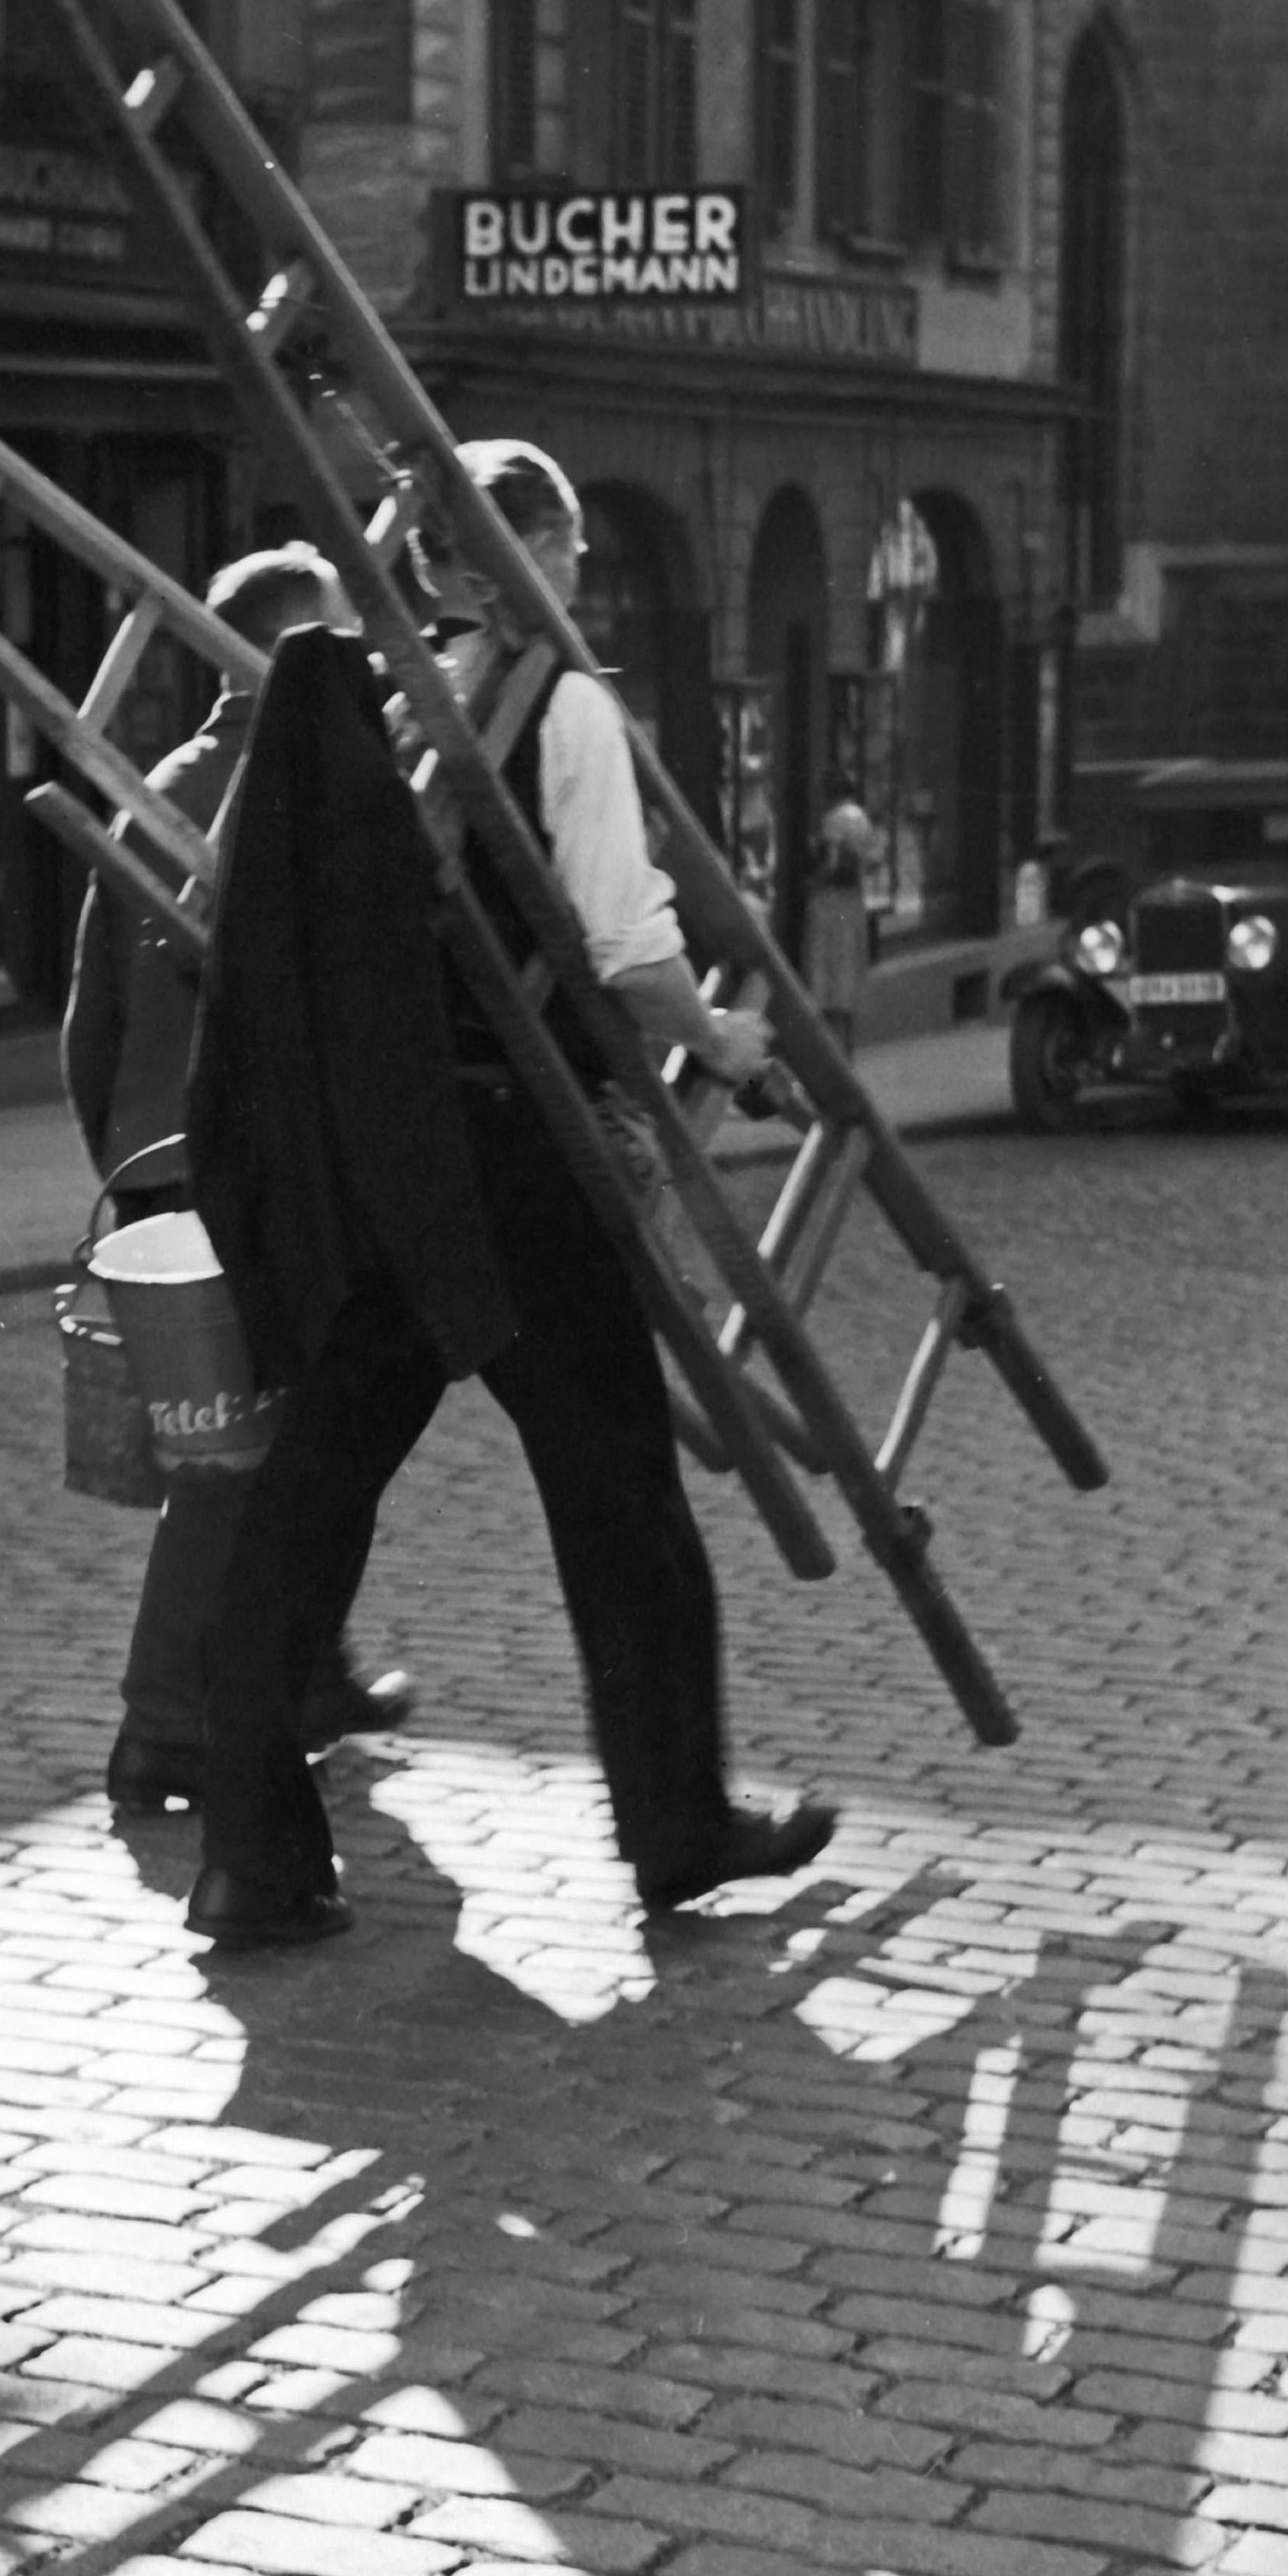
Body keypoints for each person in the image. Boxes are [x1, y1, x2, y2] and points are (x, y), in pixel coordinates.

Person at [178, 439, 839, 1954]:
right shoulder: (567, 704)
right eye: (557, 549)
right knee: (620, 1496)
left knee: (313, 1487)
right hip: (521, 1149)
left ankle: (250, 1857)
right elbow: (631, 953)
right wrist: (726, 1042)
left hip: (395, 1147)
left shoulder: (390, 699)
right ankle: (675, 1824)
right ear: (493, 561)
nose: (572, 579)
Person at [62, 544, 414, 1820]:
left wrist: (125, 1162)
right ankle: (162, 1727)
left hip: (165, 1175)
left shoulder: (156, 785)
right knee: (230, 1463)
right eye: (341, 636)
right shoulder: (305, 772)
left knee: (296, 1442)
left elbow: (87, 1021)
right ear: (295, 647)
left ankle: (309, 1676)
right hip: (247, 1176)